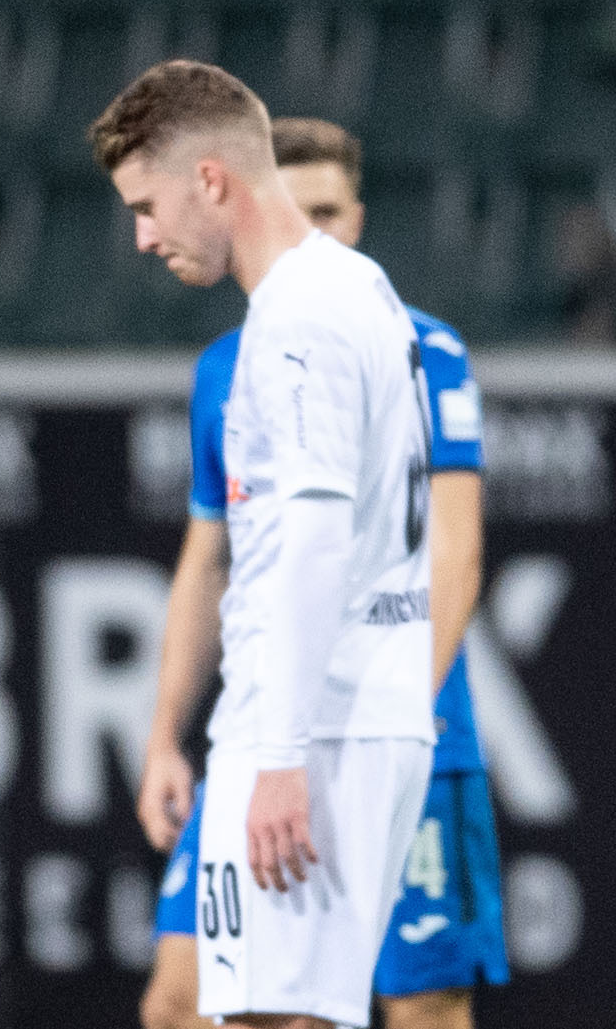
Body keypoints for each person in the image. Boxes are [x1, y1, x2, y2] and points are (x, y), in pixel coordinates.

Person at [137, 117, 509, 1029]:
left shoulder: (420, 347)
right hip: (268, 731)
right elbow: (207, 556)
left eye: (331, 212)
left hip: (390, 715)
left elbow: (455, 552)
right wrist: (162, 734)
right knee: (190, 1003)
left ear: (359, 216)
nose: (315, 232)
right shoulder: (227, 366)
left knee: (419, 1000)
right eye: (295, 213)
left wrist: (403, 704)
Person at [94, 62, 438, 1029]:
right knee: (285, 1017)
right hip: (351, 712)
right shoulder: (356, 287)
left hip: (311, 724)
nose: (143, 236)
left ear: (211, 179)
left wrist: (278, 750)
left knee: (259, 1019)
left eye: (148, 204)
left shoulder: (296, 322)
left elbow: (316, 540)